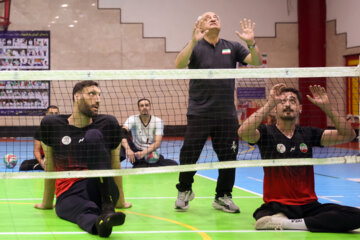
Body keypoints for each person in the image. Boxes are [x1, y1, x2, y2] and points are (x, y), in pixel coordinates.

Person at [238, 84, 360, 232]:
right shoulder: (266, 133)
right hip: (277, 204)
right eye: (282, 101)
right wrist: (270, 103)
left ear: (300, 109)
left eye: (293, 101)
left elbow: (349, 135)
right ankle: (297, 221)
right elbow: (243, 132)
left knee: (356, 216)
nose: (288, 104)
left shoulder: (308, 134)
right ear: (275, 108)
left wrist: (327, 107)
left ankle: (290, 223)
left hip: (309, 206)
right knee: (263, 215)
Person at [174, 11, 262, 213]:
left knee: (229, 157)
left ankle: (223, 196)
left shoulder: (232, 47)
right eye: (207, 17)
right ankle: (184, 190)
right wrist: (192, 41)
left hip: (226, 115)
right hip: (199, 112)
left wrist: (251, 43)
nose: (213, 18)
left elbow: (256, 61)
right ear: (200, 25)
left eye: (216, 16)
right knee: (189, 154)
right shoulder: (195, 46)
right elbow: (178, 64)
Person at [34, 80, 131, 237]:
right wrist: (46, 203)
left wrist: (120, 200)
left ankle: (107, 206)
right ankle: (101, 224)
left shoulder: (108, 123)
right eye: (92, 94)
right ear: (76, 96)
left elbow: (115, 164)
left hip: (100, 186)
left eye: (99, 95)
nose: (97, 99)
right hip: (68, 192)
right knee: (84, 211)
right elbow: (50, 166)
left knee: (93, 135)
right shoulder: (52, 124)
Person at [120, 98, 178, 168]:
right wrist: (128, 149)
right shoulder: (133, 119)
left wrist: (143, 153)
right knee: (120, 136)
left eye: (146, 105)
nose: (144, 107)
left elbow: (157, 143)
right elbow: (122, 133)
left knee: (174, 164)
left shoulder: (158, 121)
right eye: (141, 106)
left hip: (151, 151)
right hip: (136, 151)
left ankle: (143, 164)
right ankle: (114, 164)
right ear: (139, 108)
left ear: (150, 107)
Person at [19, 105, 59, 171]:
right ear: (46, 114)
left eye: (56, 114)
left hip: (59, 158)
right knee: (24, 166)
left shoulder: (63, 128)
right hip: (46, 157)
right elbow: (36, 150)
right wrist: (42, 163)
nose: (54, 116)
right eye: (51, 113)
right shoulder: (41, 130)